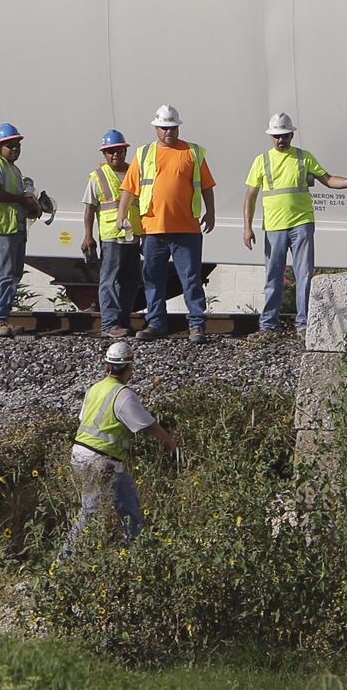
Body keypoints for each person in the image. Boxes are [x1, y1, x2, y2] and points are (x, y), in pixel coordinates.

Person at [242, 111, 347, 336]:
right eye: (277, 136)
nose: (281, 140)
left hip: (301, 223)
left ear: (291, 135)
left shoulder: (304, 158)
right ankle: (268, 325)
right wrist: (247, 227)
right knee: (273, 276)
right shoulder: (262, 161)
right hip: (274, 226)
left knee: (304, 274)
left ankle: (304, 325)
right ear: (271, 137)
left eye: (284, 135)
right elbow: (250, 196)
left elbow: (328, 180)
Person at [63, 339, 180, 553]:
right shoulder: (123, 394)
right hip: (100, 460)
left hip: (86, 454)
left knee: (128, 498)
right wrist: (171, 442)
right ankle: (62, 563)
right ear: (129, 367)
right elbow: (147, 424)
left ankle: (135, 549)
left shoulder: (95, 388)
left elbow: (83, 419)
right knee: (90, 513)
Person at [117, 105, 216, 343]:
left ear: (178, 127)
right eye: (164, 128)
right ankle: (156, 323)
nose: (168, 133)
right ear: (156, 128)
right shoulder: (144, 154)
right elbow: (129, 188)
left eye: (172, 128)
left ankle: (197, 325)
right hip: (154, 229)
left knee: (191, 278)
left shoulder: (192, 152)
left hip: (186, 229)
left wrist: (211, 212)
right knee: (153, 278)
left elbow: (206, 186)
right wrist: (121, 215)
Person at [0, 122, 43, 338]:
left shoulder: (13, 169)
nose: (14, 148)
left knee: (13, 274)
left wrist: (31, 205)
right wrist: (23, 201)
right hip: (0, 228)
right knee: (6, 274)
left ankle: (2, 319)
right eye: (9, 145)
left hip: (12, 227)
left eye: (17, 144)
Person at [83, 130, 143, 337]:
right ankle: (109, 324)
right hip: (111, 237)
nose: (114, 154)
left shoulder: (136, 173)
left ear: (125, 151)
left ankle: (124, 321)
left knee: (130, 281)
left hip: (133, 236)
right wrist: (88, 236)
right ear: (104, 155)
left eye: (118, 150)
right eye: (109, 151)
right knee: (109, 280)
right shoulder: (98, 177)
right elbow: (90, 209)